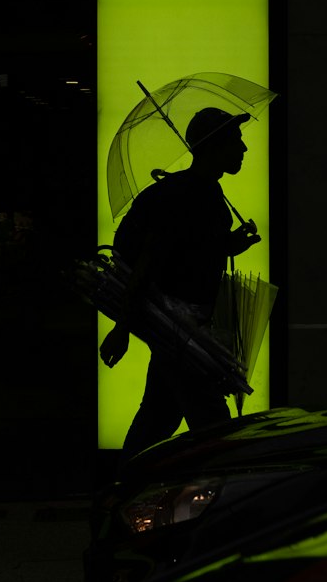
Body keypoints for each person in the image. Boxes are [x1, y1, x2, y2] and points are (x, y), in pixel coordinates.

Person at [100, 107, 262, 462]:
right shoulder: (186, 197)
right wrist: (122, 328)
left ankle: (121, 487)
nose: (243, 149)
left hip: (182, 334)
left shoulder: (205, 193)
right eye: (236, 141)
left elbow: (194, 252)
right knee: (213, 429)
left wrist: (233, 243)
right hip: (182, 335)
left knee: (156, 421)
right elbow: (150, 262)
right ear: (214, 146)